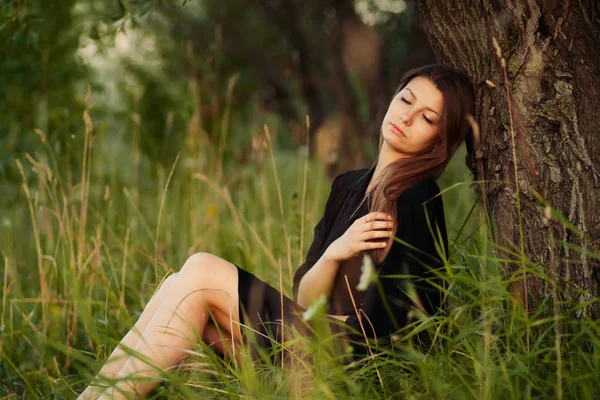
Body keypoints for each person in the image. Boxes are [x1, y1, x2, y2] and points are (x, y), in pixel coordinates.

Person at [78, 63, 476, 399]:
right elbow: (306, 294)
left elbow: (383, 332)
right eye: (406, 99)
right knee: (178, 285)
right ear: (393, 99)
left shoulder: (416, 198)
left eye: (427, 118)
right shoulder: (349, 186)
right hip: (311, 346)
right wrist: (336, 251)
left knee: (199, 273)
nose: (406, 117)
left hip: (351, 372)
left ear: (440, 141)